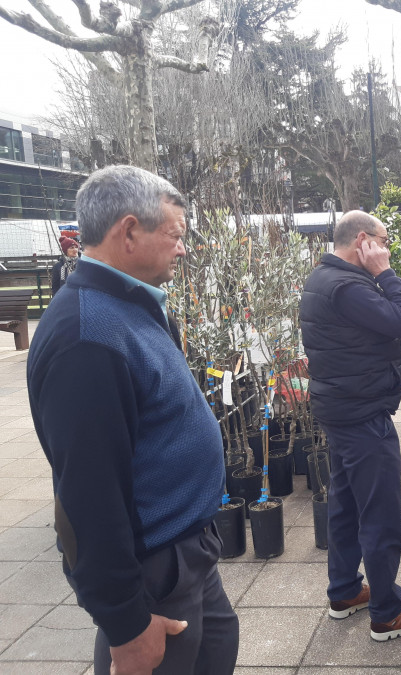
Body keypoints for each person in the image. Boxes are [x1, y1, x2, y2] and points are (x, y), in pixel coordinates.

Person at [27, 165, 238, 675]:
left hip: (186, 551)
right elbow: (87, 496)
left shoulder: (129, 305)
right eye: (175, 235)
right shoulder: (87, 338)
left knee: (218, 645)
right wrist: (126, 624)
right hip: (153, 568)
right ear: (128, 232)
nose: (183, 249)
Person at [300, 210, 401, 641]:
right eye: (384, 241)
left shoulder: (322, 278)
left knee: (344, 502)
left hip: (340, 407)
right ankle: (387, 611)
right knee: (379, 514)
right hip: (361, 413)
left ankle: (343, 590)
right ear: (364, 240)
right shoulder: (348, 286)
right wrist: (387, 272)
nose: (388, 249)